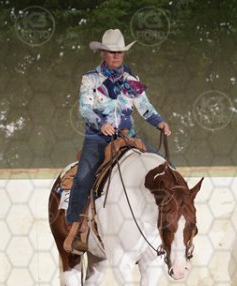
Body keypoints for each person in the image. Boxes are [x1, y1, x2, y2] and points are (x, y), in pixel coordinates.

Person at [63, 29, 171, 254]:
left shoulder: (131, 79)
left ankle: (169, 225)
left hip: (128, 136)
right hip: (98, 139)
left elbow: (144, 106)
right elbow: (85, 108)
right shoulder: (90, 79)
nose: (116, 56)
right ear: (103, 53)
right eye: (112, 52)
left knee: (167, 168)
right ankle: (74, 225)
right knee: (83, 177)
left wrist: (159, 122)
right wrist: (100, 123)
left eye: (120, 52)